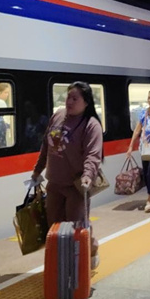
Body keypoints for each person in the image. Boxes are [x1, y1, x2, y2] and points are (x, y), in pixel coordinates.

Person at [32, 82, 103, 269]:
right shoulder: (57, 116)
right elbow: (46, 145)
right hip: (54, 183)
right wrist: (37, 169)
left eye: (75, 98)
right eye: (68, 97)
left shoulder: (91, 125)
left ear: (86, 102)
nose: (69, 101)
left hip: (76, 186)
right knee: (54, 227)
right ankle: (61, 265)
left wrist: (88, 175)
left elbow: (93, 155)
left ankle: (90, 250)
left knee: (75, 227)